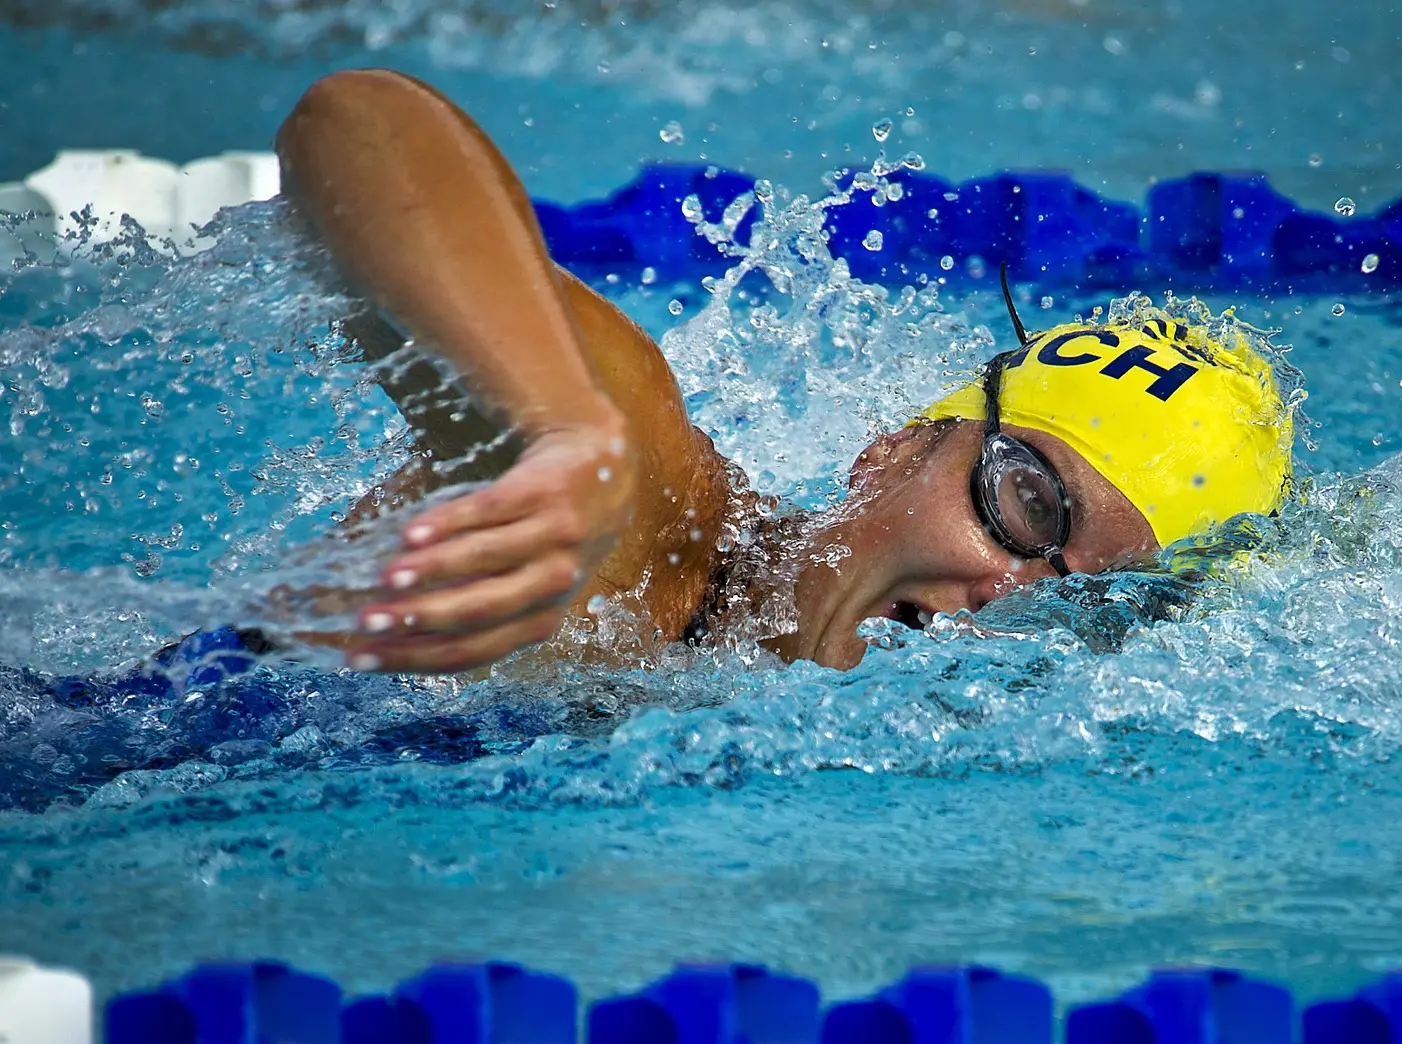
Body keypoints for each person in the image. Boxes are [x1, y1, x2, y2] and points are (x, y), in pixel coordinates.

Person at [276, 69, 1294, 675]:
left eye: (1091, 602)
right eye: (1028, 504)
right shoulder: (639, 518)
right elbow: (359, 124)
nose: (1009, 593)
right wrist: (556, 424)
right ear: (892, 449)